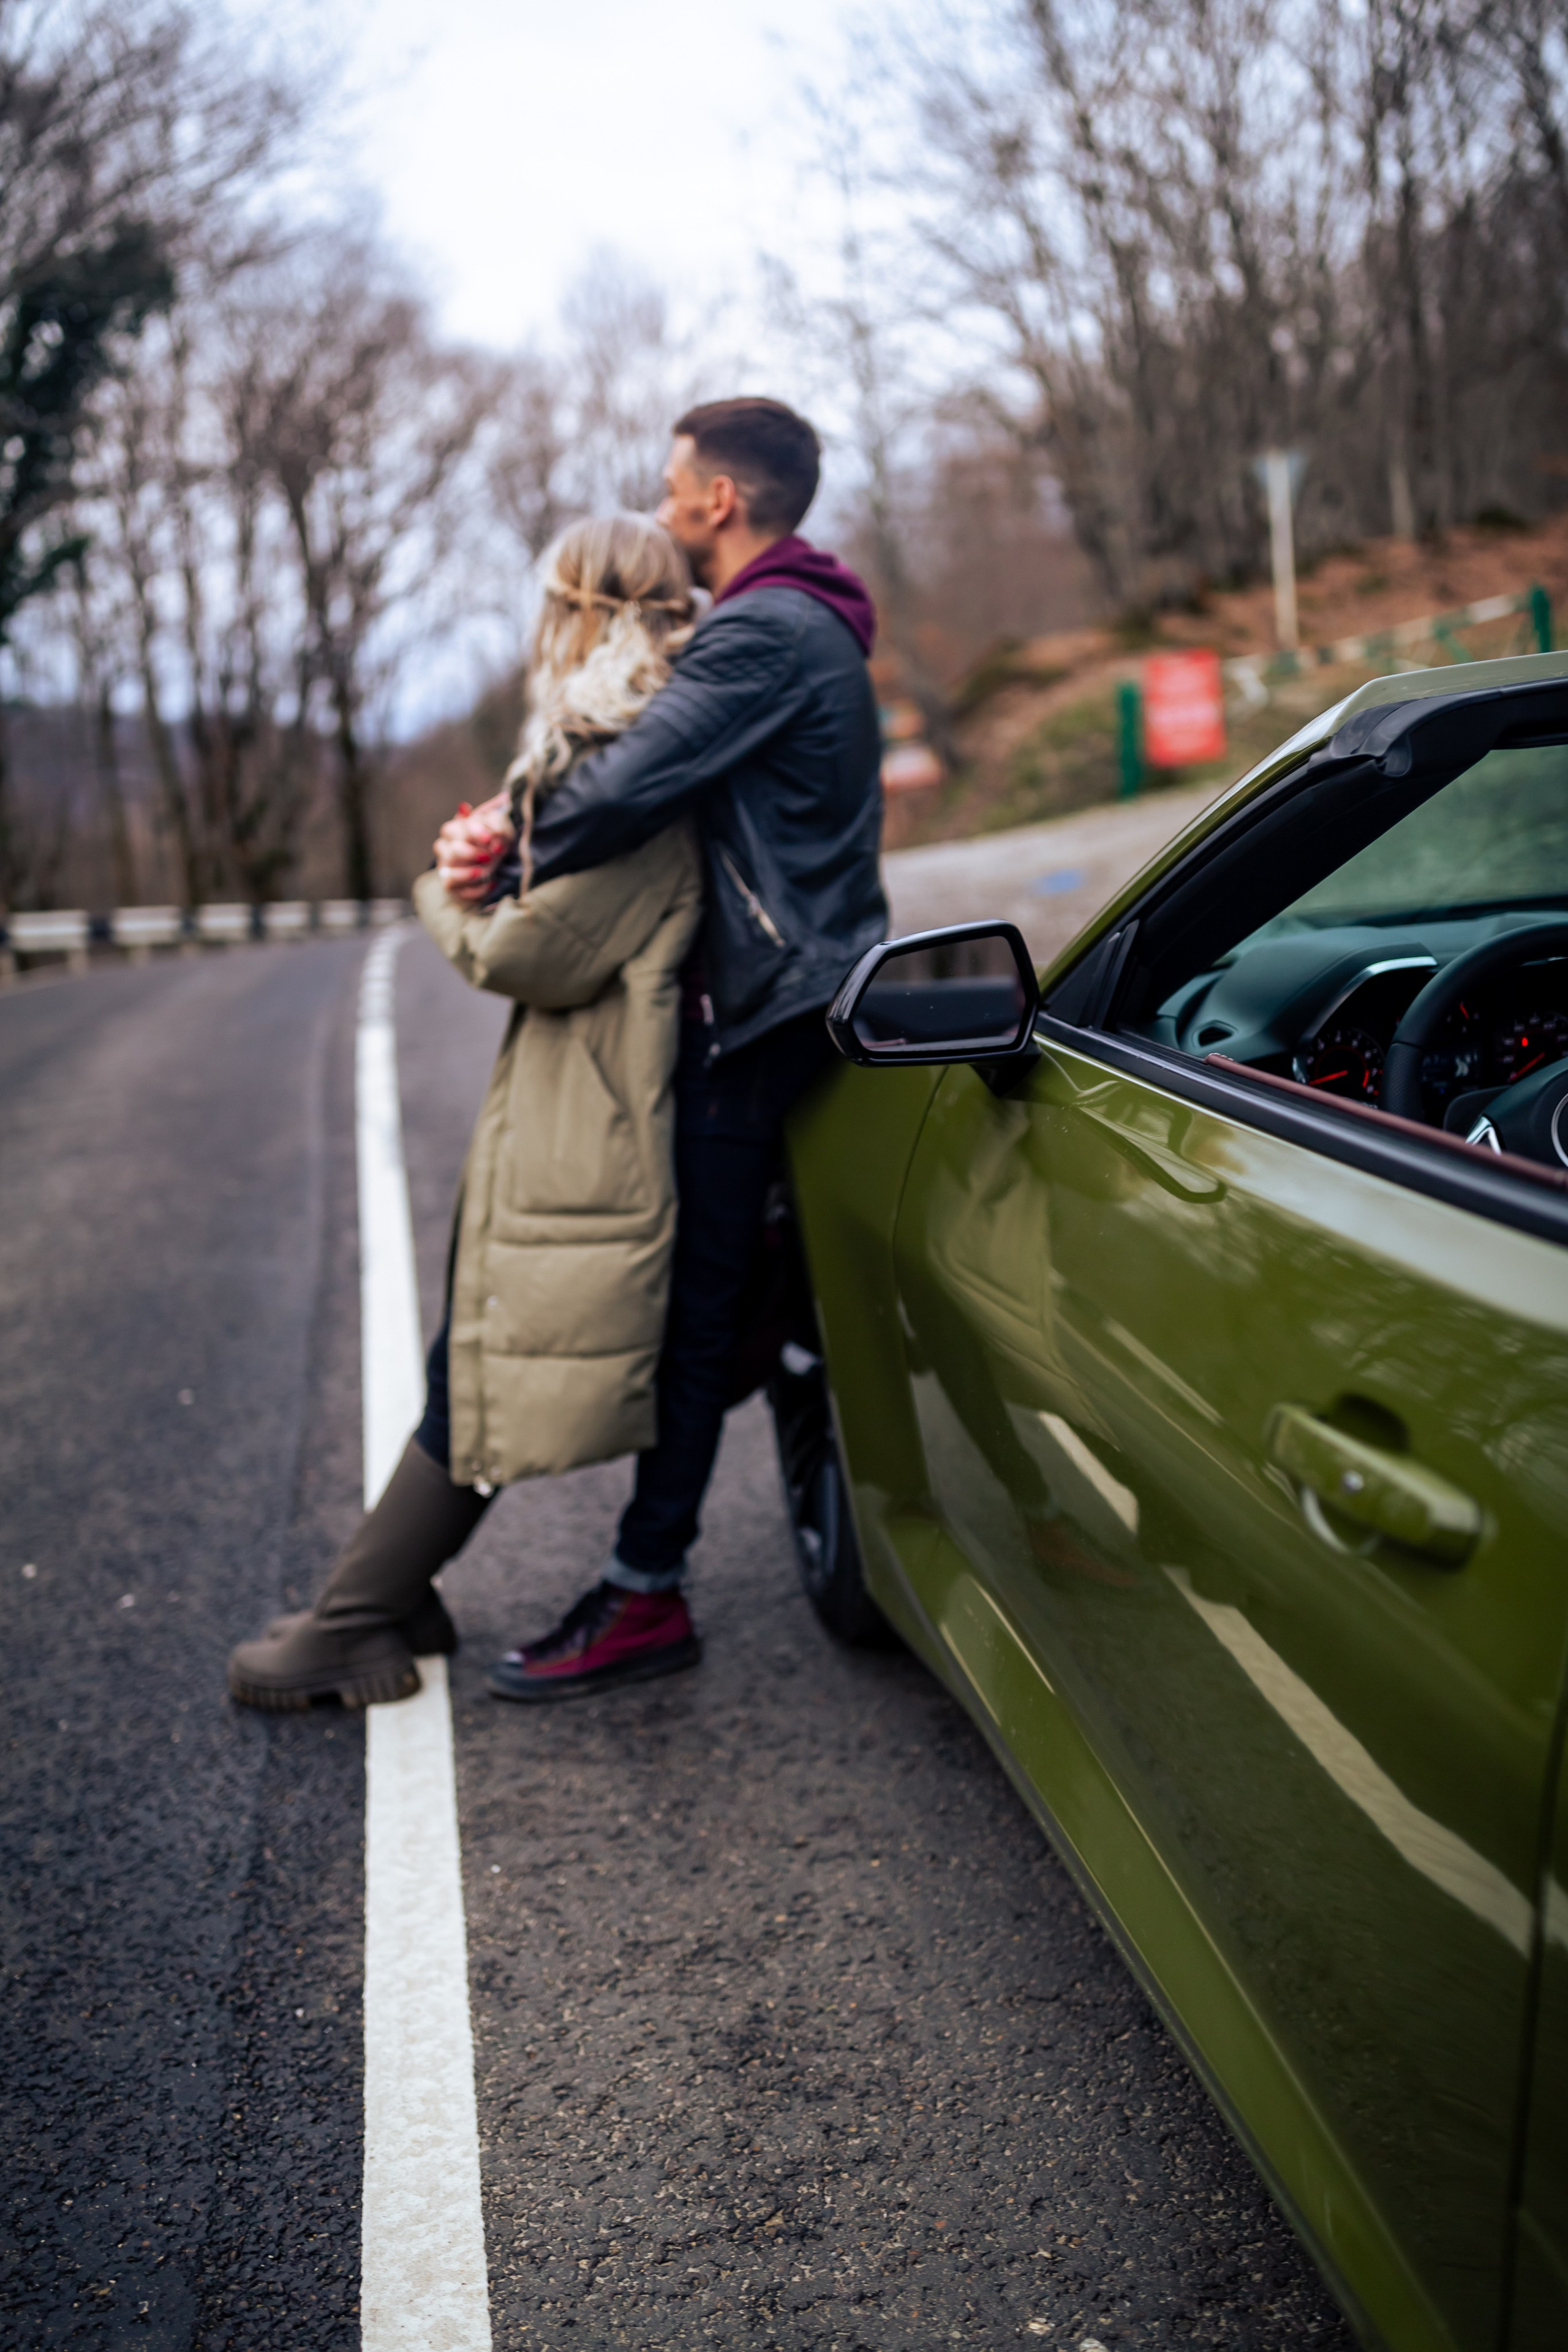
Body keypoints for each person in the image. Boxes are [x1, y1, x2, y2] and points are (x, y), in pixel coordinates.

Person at [437, 396, 888, 1703]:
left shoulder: (756, 634)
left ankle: (645, 1593)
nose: (662, 499)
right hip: (797, 989)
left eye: (673, 482)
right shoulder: (806, 622)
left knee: (696, 1306)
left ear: (719, 503)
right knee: (758, 1293)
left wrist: (495, 847)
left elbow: (632, 783)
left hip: (755, 1012)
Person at [226, 514, 704, 1709]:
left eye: (550, 601)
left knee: (486, 1353)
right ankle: (390, 1592)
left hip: (591, 1109)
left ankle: (353, 1621)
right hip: (561, 1096)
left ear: (583, 613)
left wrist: (441, 893)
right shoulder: (602, 748)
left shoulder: (633, 758)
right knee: (481, 1341)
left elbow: (529, 954)